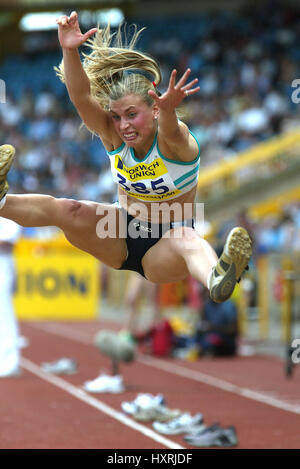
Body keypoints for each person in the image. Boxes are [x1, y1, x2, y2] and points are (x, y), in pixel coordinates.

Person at [0, 11, 252, 307]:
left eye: (132, 115)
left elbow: (171, 132)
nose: (123, 125)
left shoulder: (175, 142)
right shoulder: (114, 136)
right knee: (68, 209)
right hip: (117, 230)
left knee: (186, 236)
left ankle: (217, 277)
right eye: (117, 117)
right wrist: (69, 49)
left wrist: (169, 111)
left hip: (163, 248)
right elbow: (82, 98)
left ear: (155, 110)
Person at [0, 216, 22, 377]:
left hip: (3, 264)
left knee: (5, 314)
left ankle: (11, 362)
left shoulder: (9, 214)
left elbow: (8, 242)